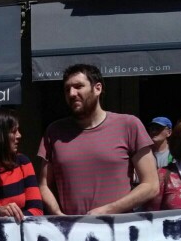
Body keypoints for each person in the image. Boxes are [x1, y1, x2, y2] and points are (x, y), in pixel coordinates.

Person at [38, 64, 158, 215]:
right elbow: (44, 185)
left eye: (78, 86)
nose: (72, 93)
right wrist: (58, 215)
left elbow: (151, 185)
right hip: (71, 228)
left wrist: (108, 210)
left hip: (118, 227)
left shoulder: (129, 125)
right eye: (67, 89)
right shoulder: (54, 131)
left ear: (97, 88)